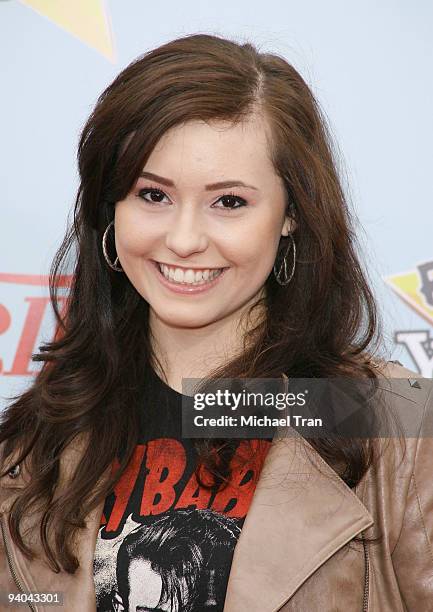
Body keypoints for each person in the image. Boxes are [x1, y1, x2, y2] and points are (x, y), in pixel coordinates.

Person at [0, 32, 432, 612]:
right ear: (110, 208)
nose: (183, 240)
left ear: (291, 216)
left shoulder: (395, 422)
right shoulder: (35, 443)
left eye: (228, 202)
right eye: (152, 195)